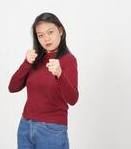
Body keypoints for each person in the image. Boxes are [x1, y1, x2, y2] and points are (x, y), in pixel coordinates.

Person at [8, 12, 79, 149]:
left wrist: (60, 74)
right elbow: (13, 87)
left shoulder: (68, 60)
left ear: (60, 31)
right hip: (25, 126)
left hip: (52, 130)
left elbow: (73, 99)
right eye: (40, 35)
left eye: (50, 32)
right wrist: (27, 63)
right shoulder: (35, 59)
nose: (46, 38)